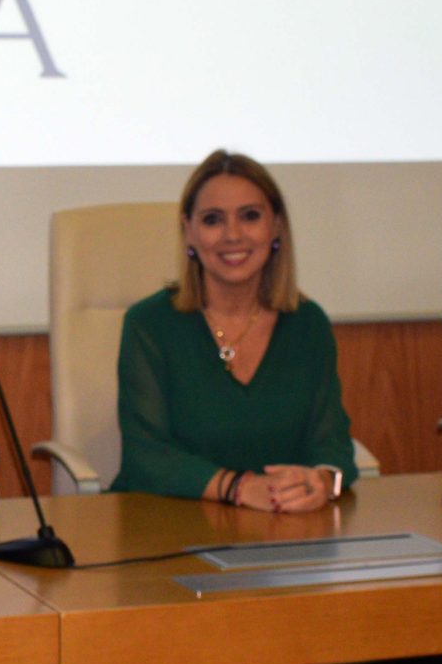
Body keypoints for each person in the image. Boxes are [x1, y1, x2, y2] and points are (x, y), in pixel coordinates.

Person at [110, 150, 356, 511]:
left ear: (276, 226)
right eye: (213, 220)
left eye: (250, 216)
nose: (233, 235)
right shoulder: (149, 324)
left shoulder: (308, 323)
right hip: (164, 523)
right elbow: (146, 457)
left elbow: (333, 447)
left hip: (280, 527)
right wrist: (239, 488)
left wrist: (322, 482)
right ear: (189, 231)